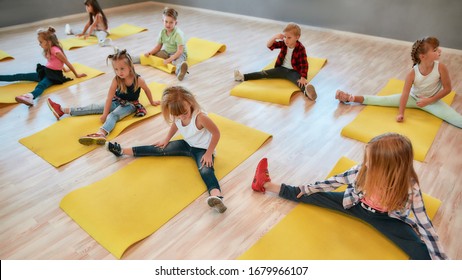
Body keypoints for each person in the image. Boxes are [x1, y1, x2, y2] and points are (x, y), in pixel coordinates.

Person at [251, 133, 448, 260]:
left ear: (390, 168)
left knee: (421, 251)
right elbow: (333, 182)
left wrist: (441, 260)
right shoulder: (362, 170)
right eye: (366, 159)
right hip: (354, 204)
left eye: (371, 162)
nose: (366, 164)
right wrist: (308, 188)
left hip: (386, 218)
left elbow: (425, 225)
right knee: (310, 194)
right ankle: (265, 184)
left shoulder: (409, 187)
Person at [107, 86, 227, 213]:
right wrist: (166, 139)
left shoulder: (201, 117)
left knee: (205, 171)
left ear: (190, 102)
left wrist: (208, 154)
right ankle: (122, 151)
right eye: (177, 115)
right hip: (187, 144)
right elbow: (176, 124)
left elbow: (216, 133)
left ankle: (216, 197)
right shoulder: (178, 114)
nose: (181, 117)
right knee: (158, 148)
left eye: (184, 113)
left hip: (202, 149)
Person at [335, 36, 461, 128]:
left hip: (433, 101)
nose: (440, 51)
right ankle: (349, 97)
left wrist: (429, 100)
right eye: (435, 50)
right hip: (413, 98)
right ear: (423, 56)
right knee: (381, 100)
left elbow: (447, 89)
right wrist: (401, 113)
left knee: (455, 119)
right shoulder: (412, 73)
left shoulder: (441, 67)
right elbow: (405, 94)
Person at [46, 49, 160, 145]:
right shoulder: (116, 79)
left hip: (130, 105)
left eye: (122, 69)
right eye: (116, 69)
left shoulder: (138, 80)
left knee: (113, 115)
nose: (119, 72)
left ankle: (101, 133)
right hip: (116, 100)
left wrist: (152, 101)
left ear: (130, 67)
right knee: (94, 107)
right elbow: (109, 98)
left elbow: (147, 90)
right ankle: (62, 110)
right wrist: (104, 114)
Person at [0, 27, 87, 106]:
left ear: (48, 42)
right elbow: (57, 62)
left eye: (41, 42)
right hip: (46, 71)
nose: (39, 44)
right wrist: (63, 68)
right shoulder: (49, 49)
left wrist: (77, 75)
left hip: (53, 75)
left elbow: (66, 61)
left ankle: (30, 96)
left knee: (41, 85)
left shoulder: (56, 51)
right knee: (20, 76)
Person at [234, 22, 317, 101]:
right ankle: (242, 77)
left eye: (289, 37)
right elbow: (269, 45)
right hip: (281, 69)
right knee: (264, 73)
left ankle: (308, 92)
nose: (286, 40)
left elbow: (304, 64)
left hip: (293, 72)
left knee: (300, 83)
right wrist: (275, 37)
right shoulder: (284, 43)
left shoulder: (301, 48)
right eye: (285, 37)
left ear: (297, 37)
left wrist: (303, 78)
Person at [142, 7, 188, 81]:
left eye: (171, 22)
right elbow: (158, 47)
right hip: (167, 52)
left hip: (179, 53)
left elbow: (180, 51)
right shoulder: (162, 32)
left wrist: (170, 59)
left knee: (176, 62)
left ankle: (179, 72)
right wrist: (149, 53)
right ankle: (135, 58)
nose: (168, 24)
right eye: (166, 21)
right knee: (153, 55)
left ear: (176, 23)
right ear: (162, 21)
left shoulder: (178, 34)